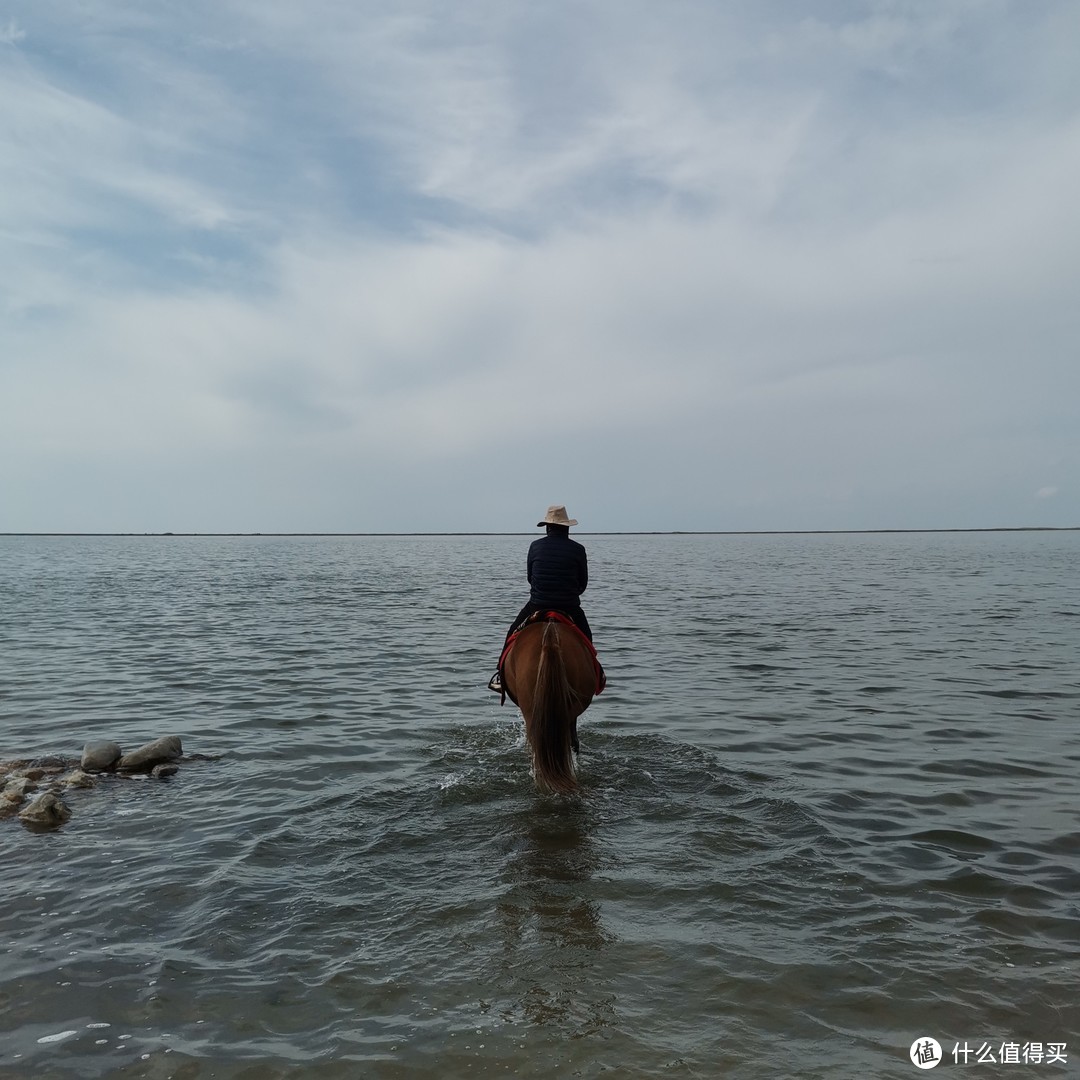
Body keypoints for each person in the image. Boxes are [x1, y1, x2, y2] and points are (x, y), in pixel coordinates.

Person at [488, 505, 594, 693]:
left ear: (547, 527)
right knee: (587, 638)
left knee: (511, 632)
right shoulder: (578, 549)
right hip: (569, 606)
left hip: (538, 603)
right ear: (567, 528)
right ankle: (596, 673)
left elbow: (530, 577)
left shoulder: (535, 546)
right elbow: (582, 584)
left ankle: (499, 676)